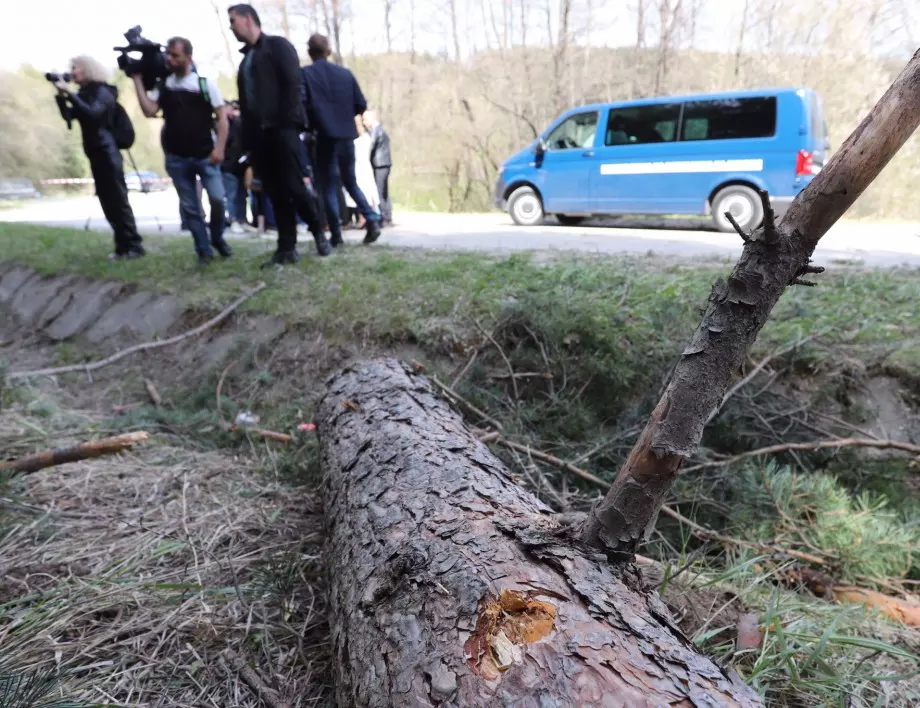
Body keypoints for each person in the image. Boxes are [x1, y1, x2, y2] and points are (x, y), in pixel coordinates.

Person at [228, 3, 330, 266]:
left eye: (233, 20)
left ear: (247, 19)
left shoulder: (277, 46)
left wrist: (286, 125)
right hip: (258, 139)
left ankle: (319, 230)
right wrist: (248, 141)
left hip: (283, 131)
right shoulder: (246, 61)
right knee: (274, 191)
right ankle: (286, 247)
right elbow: (248, 102)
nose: (231, 26)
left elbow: (292, 85)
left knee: (295, 186)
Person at [134, 37, 232, 264]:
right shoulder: (164, 86)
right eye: (168, 54)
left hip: (206, 154)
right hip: (176, 157)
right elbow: (150, 111)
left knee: (218, 200)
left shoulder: (205, 85)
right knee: (191, 207)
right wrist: (137, 81)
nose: (169, 59)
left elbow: (223, 119)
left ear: (188, 57)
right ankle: (203, 250)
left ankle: (217, 237)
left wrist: (220, 149)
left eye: (175, 55)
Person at [53, 56, 144, 260]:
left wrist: (70, 94)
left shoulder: (104, 91)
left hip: (107, 151)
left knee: (118, 200)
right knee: (107, 201)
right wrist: (61, 97)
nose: (72, 72)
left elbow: (93, 115)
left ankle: (134, 245)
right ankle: (121, 246)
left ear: (87, 70)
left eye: (75, 68)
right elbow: (70, 117)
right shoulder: (83, 93)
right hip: (94, 152)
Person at [301, 33, 382, 248]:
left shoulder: (306, 75)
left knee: (327, 186)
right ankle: (371, 218)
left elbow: (301, 104)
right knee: (350, 181)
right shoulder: (345, 75)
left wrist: (314, 122)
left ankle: (336, 234)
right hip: (347, 135)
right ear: (328, 50)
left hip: (324, 136)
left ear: (310, 52)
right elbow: (360, 104)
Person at [345, 115, 379, 229]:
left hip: (359, 167)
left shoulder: (355, 140)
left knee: (361, 191)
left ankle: (364, 218)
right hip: (365, 166)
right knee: (368, 192)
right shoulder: (366, 137)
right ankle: (370, 218)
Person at [222, 100, 249, 234]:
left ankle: (242, 219)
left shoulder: (238, 123)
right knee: (231, 195)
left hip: (240, 165)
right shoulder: (222, 124)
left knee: (241, 195)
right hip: (228, 165)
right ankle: (233, 220)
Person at [364, 110, 392, 226]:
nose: (365, 123)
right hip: (385, 163)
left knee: (379, 191)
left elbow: (371, 145)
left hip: (380, 164)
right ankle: (387, 215)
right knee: (384, 191)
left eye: (366, 120)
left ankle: (384, 217)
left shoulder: (376, 130)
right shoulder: (381, 129)